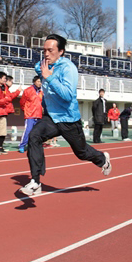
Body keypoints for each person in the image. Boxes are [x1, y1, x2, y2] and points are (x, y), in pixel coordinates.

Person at [19, 34, 111, 196]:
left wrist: (49, 77)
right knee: (34, 137)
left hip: (68, 119)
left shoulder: (69, 68)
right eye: (44, 50)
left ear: (61, 51)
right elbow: (38, 68)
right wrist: (43, 73)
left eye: (50, 50)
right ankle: (35, 181)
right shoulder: (41, 66)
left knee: (81, 153)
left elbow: (68, 95)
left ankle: (102, 159)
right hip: (51, 117)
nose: (46, 54)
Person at [19, 76, 43, 153]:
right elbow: (22, 102)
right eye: (38, 81)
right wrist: (26, 110)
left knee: (36, 132)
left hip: (38, 115)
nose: (40, 83)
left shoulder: (41, 92)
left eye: (41, 82)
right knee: (28, 130)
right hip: (30, 114)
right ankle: (22, 145)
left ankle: (33, 146)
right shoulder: (28, 90)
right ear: (34, 82)